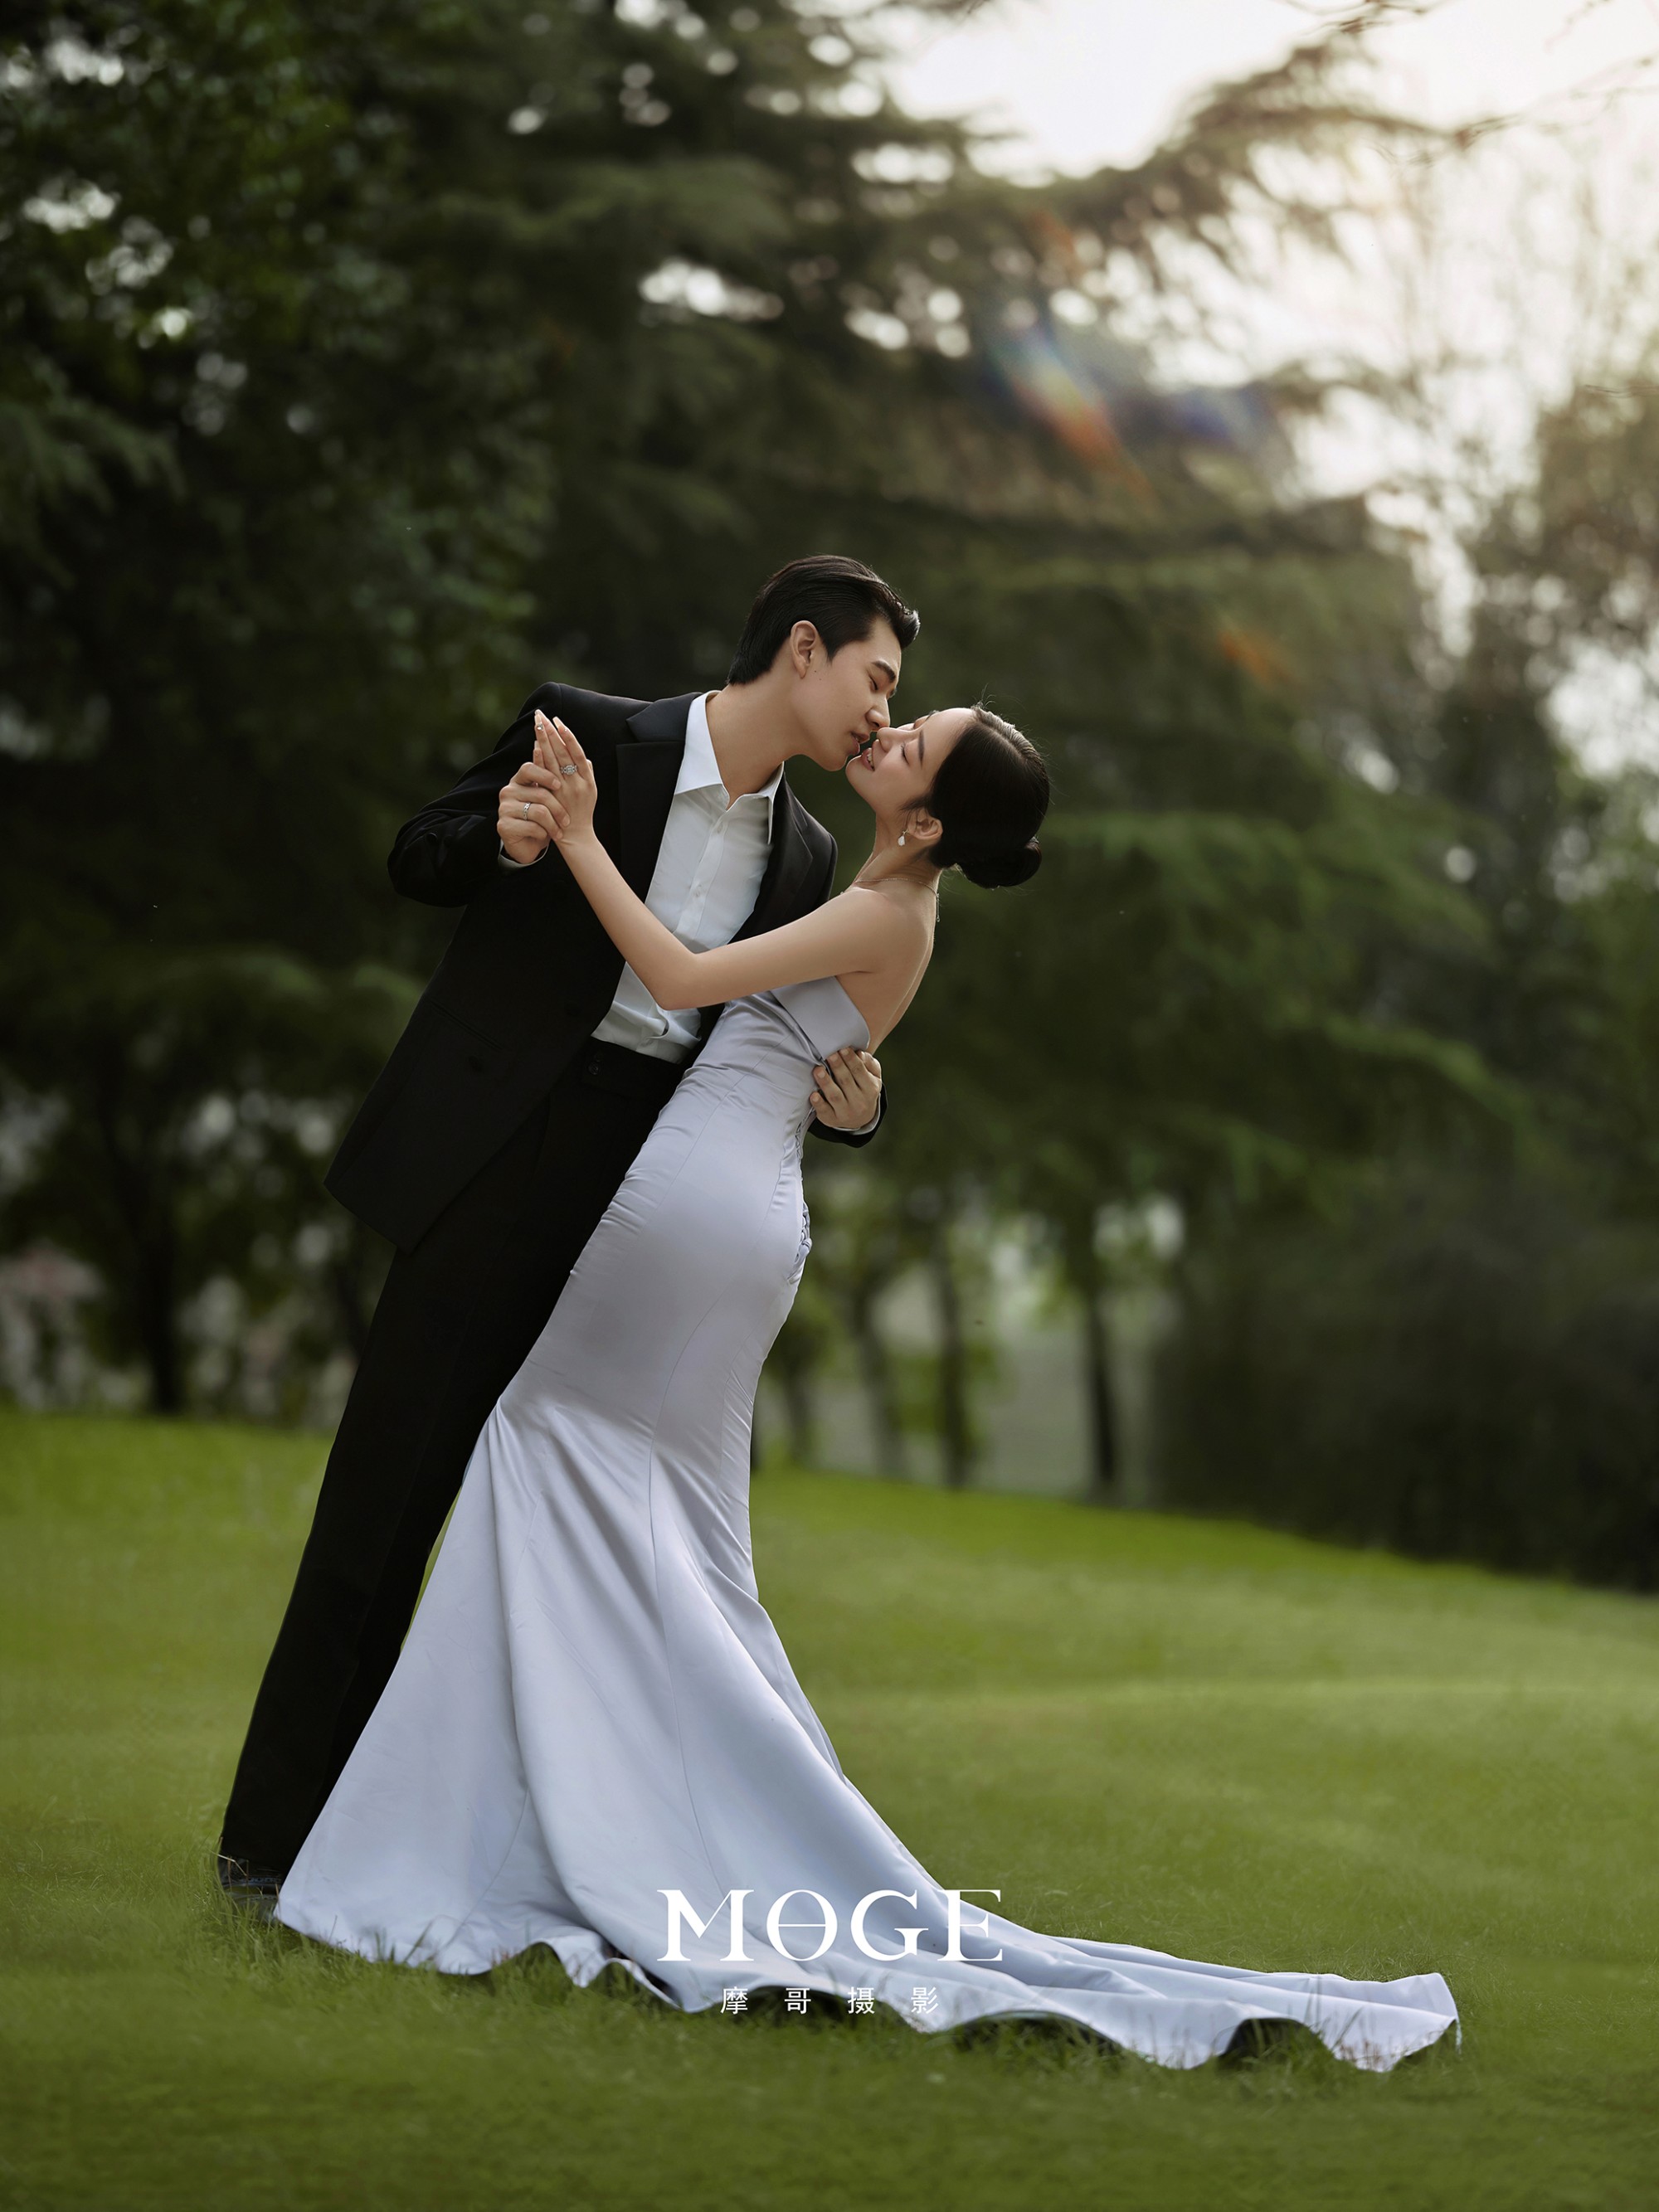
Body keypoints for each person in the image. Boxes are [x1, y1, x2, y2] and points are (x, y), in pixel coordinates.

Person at [273, 701, 1459, 2072]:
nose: (885, 732)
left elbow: (676, 974)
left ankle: (511, 1835)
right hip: (724, 1207)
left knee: (549, 1451)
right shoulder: (873, 894)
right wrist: (860, 1095)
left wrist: (586, 838)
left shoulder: (888, 911)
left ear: (930, 819)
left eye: (913, 744)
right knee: (662, 1538)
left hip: (700, 1216)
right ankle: (602, 1823)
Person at [217, 555, 917, 1896]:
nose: (882, 716)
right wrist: (506, 837)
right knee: (381, 1511)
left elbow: (794, 1037)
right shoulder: (586, 733)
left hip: (642, 1206)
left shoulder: (812, 857)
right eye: (876, 680)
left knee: (582, 1549)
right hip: (491, 1158)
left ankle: (543, 1858)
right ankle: (273, 1851)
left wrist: (862, 1109)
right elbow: (416, 854)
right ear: (804, 649)